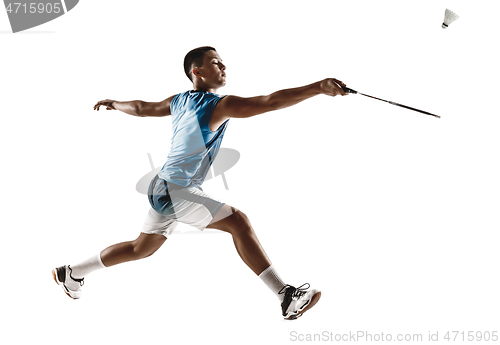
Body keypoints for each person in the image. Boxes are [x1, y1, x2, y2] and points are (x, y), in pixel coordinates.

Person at [52, 46, 349, 320]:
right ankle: (286, 296)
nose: (223, 66)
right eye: (215, 62)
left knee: (140, 249)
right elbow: (269, 102)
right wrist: (318, 87)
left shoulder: (179, 100)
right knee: (239, 223)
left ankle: (72, 272)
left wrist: (115, 104)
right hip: (173, 190)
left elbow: (143, 108)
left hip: (164, 186)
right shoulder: (218, 105)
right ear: (197, 71)